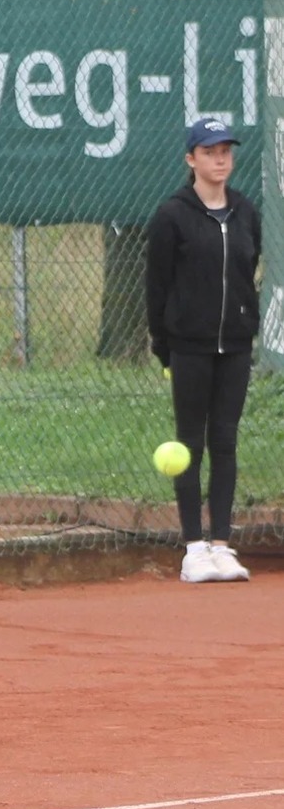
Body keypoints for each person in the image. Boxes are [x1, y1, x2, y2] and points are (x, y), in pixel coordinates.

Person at [145, 118, 261, 583]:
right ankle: (194, 548)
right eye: (210, 151)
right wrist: (164, 346)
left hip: (234, 345)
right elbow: (156, 287)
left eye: (226, 151)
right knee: (190, 443)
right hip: (188, 347)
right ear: (191, 159)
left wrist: (244, 325)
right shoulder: (171, 216)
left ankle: (222, 546)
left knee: (226, 441)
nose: (220, 159)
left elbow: (249, 270)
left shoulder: (246, 212)